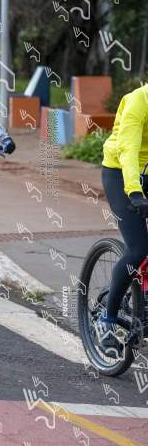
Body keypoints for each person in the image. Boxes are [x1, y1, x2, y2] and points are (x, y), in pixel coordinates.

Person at [96, 83, 148, 356]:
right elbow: (128, 149)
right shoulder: (139, 101)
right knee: (138, 248)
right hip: (120, 173)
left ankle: (143, 298)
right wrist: (135, 192)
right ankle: (107, 319)